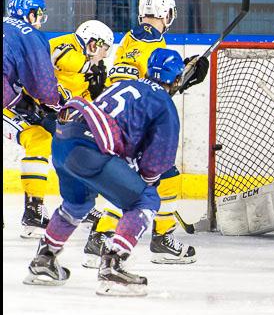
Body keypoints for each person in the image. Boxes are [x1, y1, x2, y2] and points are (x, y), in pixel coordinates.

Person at [23, 48, 185, 297]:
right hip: (90, 150)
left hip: (63, 142)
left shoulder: (125, 84)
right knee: (146, 199)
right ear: (177, 78)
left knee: (77, 204)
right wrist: (144, 183)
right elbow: (158, 161)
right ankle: (113, 266)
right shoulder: (164, 104)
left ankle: (44, 260)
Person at [83, 0, 208, 266]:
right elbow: (154, 88)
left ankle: (101, 236)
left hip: (114, 119)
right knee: (162, 176)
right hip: (134, 124)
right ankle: (157, 239)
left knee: (127, 179)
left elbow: (143, 81)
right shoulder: (154, 42)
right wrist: (184, 77)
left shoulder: (130, 38)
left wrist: (182, 72)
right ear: (166, 13)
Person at [3, 0, 61, 238]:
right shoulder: (30, 35)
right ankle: (34, 213)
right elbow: (43, 87)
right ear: (30, 13)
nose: (39, 19)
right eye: (38, 14)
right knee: (39, 138)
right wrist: (54, 103)